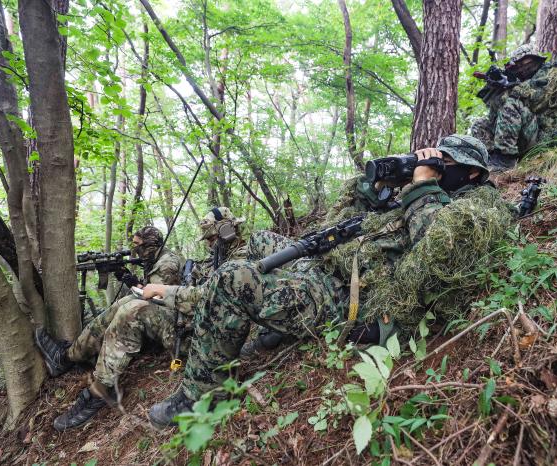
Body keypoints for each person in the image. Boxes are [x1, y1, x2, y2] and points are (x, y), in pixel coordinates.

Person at [141, 135, 515, 427]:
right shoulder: (423, 198)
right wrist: (371, 191)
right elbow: (341, 222)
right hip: (332, 264)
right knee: (258, 241)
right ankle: (244, 316)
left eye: (443, 165)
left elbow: (436, 252)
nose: (433, 170)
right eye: (433, 162)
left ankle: (199, 398)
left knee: (234, 278)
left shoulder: (478, 207)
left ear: (471, 173)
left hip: (350, 294)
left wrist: (422, 188)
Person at [33, 225, 188, 431]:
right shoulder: (154, 259)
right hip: (167, 319)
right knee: (122, 303)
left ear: (151, 246)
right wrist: (129, 279)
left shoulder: (167, 262)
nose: (135, 251)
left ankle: (101, 391)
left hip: (179, 327)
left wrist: (135, 283)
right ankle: (67, 357)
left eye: (138, 246)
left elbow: (157, 297)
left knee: (131, 309)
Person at [470, 44, 557, 171]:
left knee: (512, 104)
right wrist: (497, 87)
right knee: (479, 125)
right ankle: (491, 160)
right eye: (517, 65)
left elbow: (541, 100)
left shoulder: (553, 73)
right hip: (521, 139)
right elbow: (494, 114)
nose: (520, 68)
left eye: (523, 63)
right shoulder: (517, 83)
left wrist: (514, 89)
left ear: (535, 59)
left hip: (546, 137)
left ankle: (505, 160)